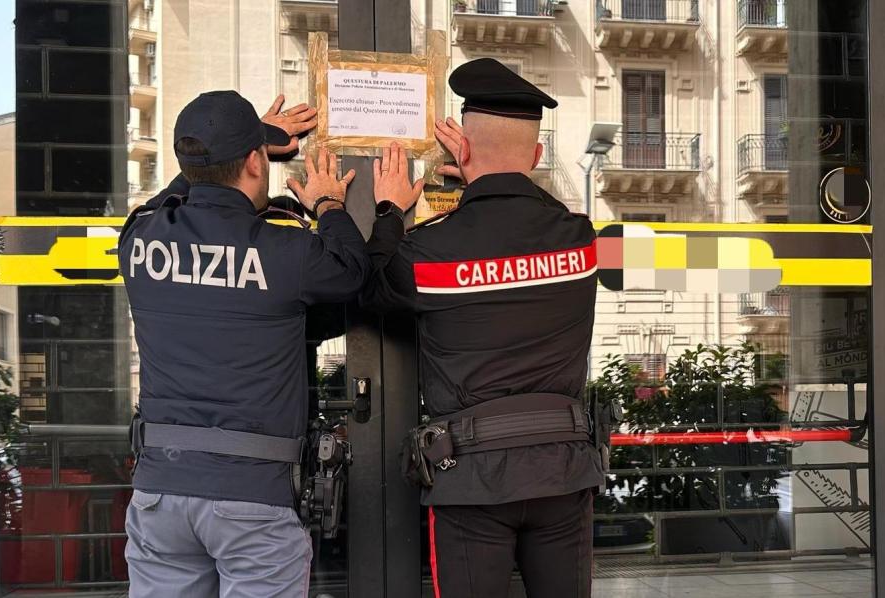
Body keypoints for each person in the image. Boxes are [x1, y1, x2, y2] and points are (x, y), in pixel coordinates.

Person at [361, 58, 604, 598]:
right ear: (536, 158)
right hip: (562, 471)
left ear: (463, 150)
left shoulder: (431, 250)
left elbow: (369, 286)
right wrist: (492, 180)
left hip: (470, 478)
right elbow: (545, 215)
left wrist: (389, 211)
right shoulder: (580, 239)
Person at [118, 89, 368, 598]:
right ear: (256, 162)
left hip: (161, 493)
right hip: (254, 498)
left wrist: (236, 145)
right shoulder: (285, 251)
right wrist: (328, 203)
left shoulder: (140, 240)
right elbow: (352, 269)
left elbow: (170, 195)